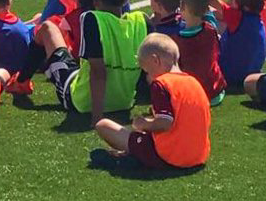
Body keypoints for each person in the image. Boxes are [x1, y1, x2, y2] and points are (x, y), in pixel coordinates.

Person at [38, 0, 149, 126]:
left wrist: (97, 117)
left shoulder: (92, 19)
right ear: (125, 0)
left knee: (47, 28)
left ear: (95, 1)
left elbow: (98, 71)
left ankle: (21, 81)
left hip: (83, 102)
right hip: (125, 102)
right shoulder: (142, 20)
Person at [90, 33, 210, 172]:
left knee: (103, 125)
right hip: (197, 157)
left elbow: (165, 123)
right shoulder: (194, 82)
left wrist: (143, 124)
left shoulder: (161, 83)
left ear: (155, 60)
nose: (147, 77)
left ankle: (125, 159)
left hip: (168, 157)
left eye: (147, 71)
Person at [176, 0, 225, 105]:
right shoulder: (212, 28)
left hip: (193, 94)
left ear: (183, 6)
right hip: (215, 92)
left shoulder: (178, 39)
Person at [218, 0, 266, 92]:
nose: (229, 1)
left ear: (244, 7)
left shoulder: (238, 18)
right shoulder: (257, 21)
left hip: (230, 76)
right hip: (251, 75)